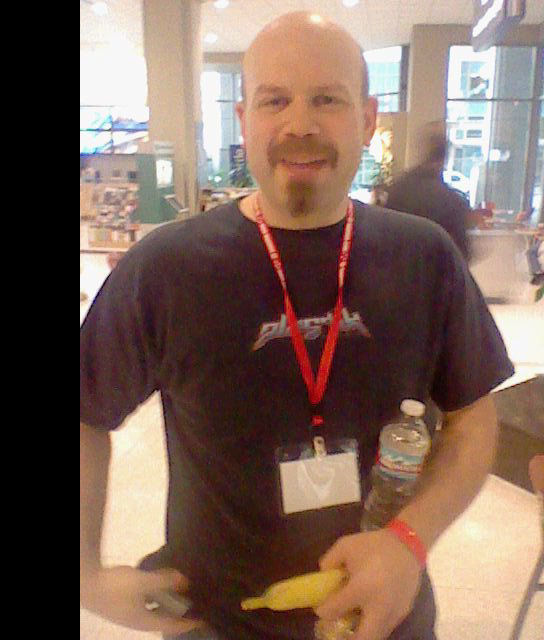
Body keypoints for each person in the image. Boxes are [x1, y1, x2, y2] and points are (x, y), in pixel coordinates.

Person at [80, 12, 514, 640]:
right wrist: (86, 574)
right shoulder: (167, 268)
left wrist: (409, 541)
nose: (299, 124)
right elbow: (85, 411)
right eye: (274, 100)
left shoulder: (426, 257)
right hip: (216, 619)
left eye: (327, 99)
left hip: (384, 616)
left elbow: (474, 418)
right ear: (244, 121)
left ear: (367, 119)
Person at [383, 124, 471, 261]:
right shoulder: (452, 201)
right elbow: (461, 254)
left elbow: (386, 236)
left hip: (399, 267)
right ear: (445, 157)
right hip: (433, 270)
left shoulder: (400, 188)